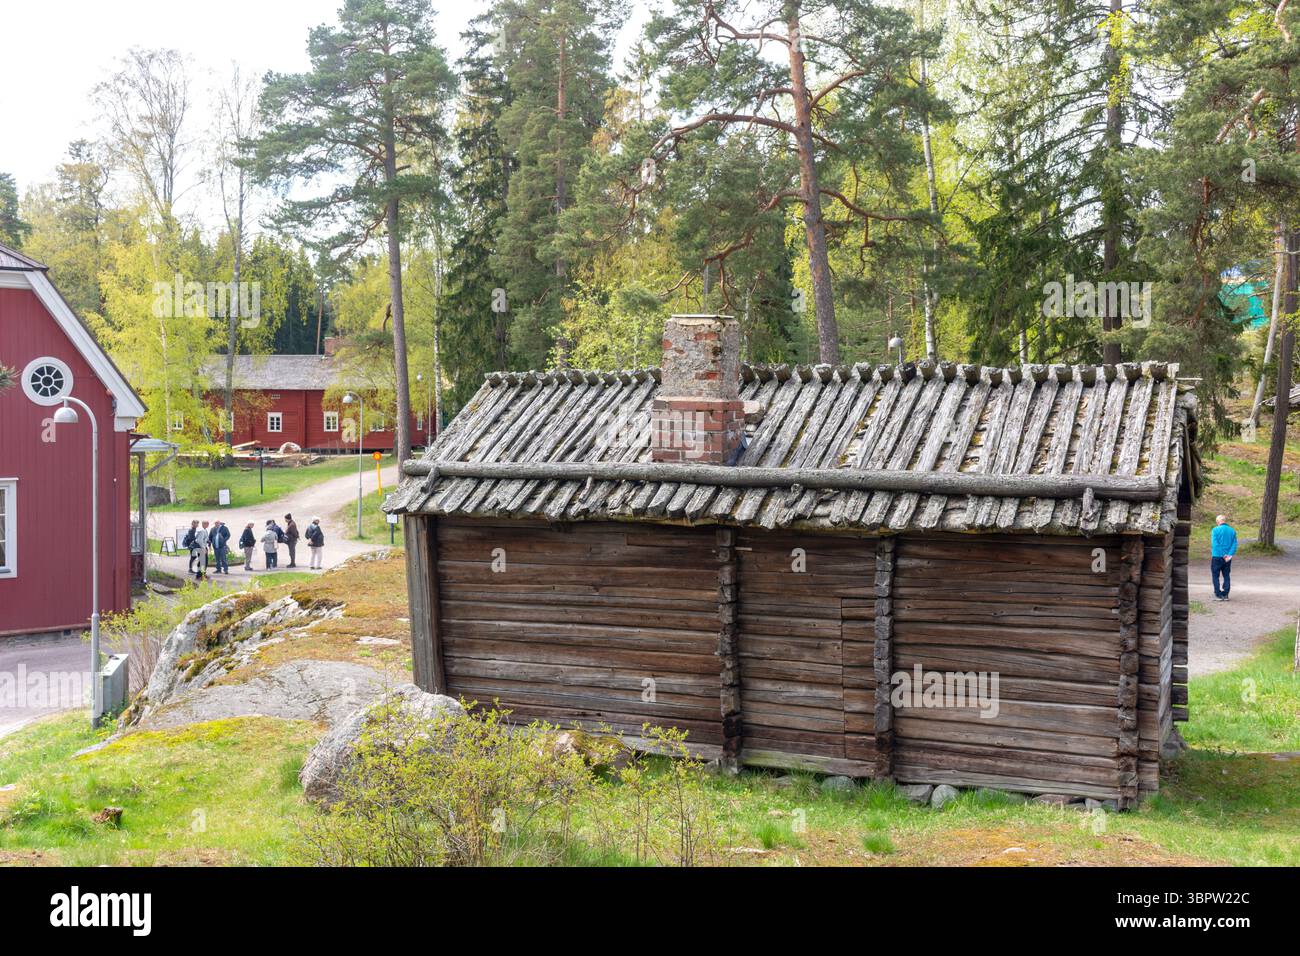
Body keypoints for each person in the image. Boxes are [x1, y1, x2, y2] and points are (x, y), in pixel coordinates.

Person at [1211, 514, 1238, 601]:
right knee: (1226, 575)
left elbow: (1215, 544)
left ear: (1218, 522)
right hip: (1228, 558)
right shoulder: (1232, 531)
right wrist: (1229, 554)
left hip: (1217, 556)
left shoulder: (1215, 530)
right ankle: (1226, 594)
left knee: (1215, 575)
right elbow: (1234, 544)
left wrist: (1223, 554)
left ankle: (1218, 594)